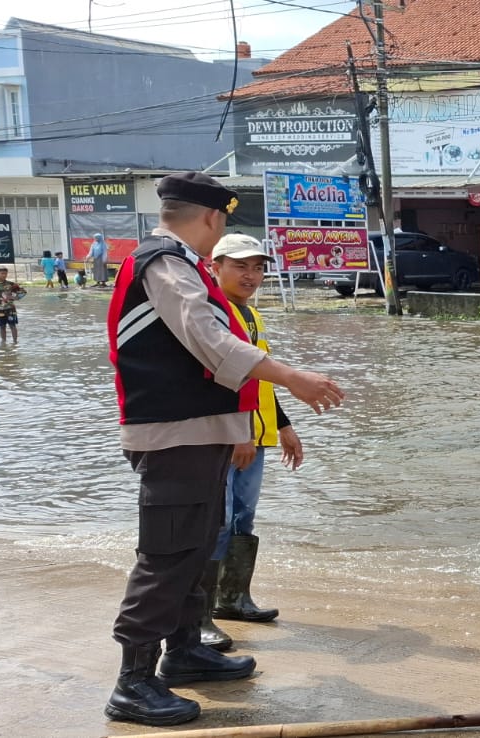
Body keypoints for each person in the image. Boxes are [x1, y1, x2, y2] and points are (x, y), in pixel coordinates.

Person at [103, 172, 344, 727]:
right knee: (166, 557)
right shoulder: (165, 263)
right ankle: (132, 682)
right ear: (213, 217)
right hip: (173, 435)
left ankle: (184, 651)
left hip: (199, 431)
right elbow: (213, 343)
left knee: (194, 549)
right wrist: (292, 377)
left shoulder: (174, 264)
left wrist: (240, 424)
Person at [198, 234, 305, 652]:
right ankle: (201, 616)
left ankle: (233, 600)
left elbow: (259, 375)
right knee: (218, 520)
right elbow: (223, 377)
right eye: (240, 266)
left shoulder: (251, 315)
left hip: (255, 435)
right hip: (228, 435)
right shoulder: (213, 314)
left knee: (243, 517)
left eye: (258, 267)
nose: (251, 275)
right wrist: (239, 433)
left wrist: (283, 426)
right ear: (216, 267)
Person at [0, 266, 27, 343]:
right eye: (2, 273)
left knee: (12, 325)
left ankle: (15, 342)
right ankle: (3, 342)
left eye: (6, 274)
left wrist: (15, 297)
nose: (4, 275)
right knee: (2, 326)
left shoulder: (11, 284)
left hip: (11, 309)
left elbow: (23, 292)